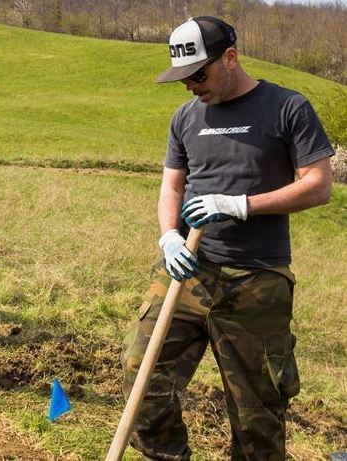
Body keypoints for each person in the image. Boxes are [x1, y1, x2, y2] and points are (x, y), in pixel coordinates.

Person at [121, 17, 335, 460]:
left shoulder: (287, 108)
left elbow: (318, 185)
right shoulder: (185, 117)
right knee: (141, 376)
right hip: (188, 273)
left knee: (256, 414)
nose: (190, 87)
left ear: (231, 58)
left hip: (255, 281)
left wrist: (241, 204)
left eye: (198, 74)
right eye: (182, 78)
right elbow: (172, 187)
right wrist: (168, 238)